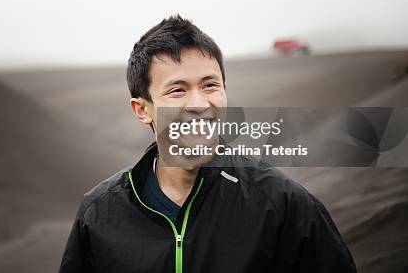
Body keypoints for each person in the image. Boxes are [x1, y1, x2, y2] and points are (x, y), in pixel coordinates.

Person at [58, 15, 356, 273]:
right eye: (177, 90)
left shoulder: (283, 204)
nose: (199, 104)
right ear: (142, 109)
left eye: (210, 85)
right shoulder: (99, 214)